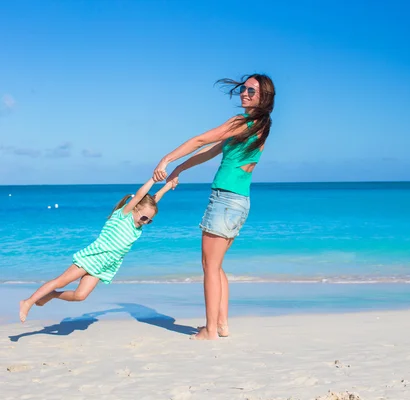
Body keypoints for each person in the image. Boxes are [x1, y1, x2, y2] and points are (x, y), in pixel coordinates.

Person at [153, 74, 275, 340]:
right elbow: (211, 151)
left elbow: (200, 140)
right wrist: (180, 168)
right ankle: (221, 325)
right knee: (216, 266)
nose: (244, 93)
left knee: (209, 266)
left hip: (225, 200)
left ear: (263, 97)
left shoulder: (242, 122)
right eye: (243, 89)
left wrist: (166, 159)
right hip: (240, 202)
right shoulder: (258, 126)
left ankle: (209, 330)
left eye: (251, 91)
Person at [19, 178, 174, 322]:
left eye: (149, 221)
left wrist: (167, 187)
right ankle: (28, 301)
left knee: (80, 296)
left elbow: (153, 200)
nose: (145, 222)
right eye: (144, 218)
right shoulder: (123, 215)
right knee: (61, 281)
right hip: (93, 258)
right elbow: (141, 194)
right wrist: (154, 179)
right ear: (135, 208)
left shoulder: (138, 225)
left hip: (104, 266)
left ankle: (52, 295)